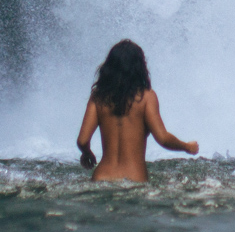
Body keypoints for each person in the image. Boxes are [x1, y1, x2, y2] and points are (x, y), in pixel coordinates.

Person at [76, 39, 199, 181]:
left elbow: (82, 140)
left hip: (101, 178)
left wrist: (87, 153)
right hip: (133, 180)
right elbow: (162, 138)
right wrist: (187, 147)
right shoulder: (146, 97)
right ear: (140, 67)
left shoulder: (98, 97)